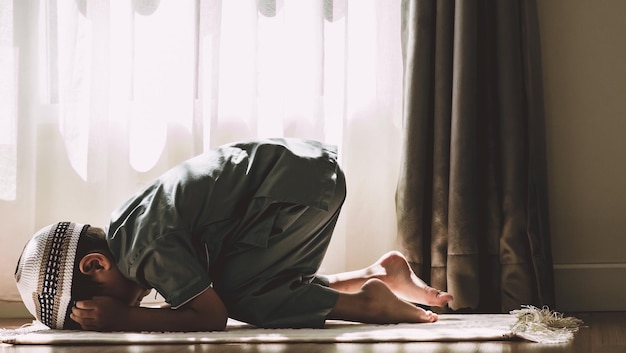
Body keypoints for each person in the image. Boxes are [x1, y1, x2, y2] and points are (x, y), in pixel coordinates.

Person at [15, 138, 453, 331]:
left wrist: (125, 320)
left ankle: (367, 305)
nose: (105, 316)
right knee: (243, 287)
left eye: (97, 307)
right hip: (297, 177)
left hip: (292, 191)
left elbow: (211, 318)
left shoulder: (144, 249)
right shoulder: (128, 228)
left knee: (239, 299)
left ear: (97, 265)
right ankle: (379, 273)